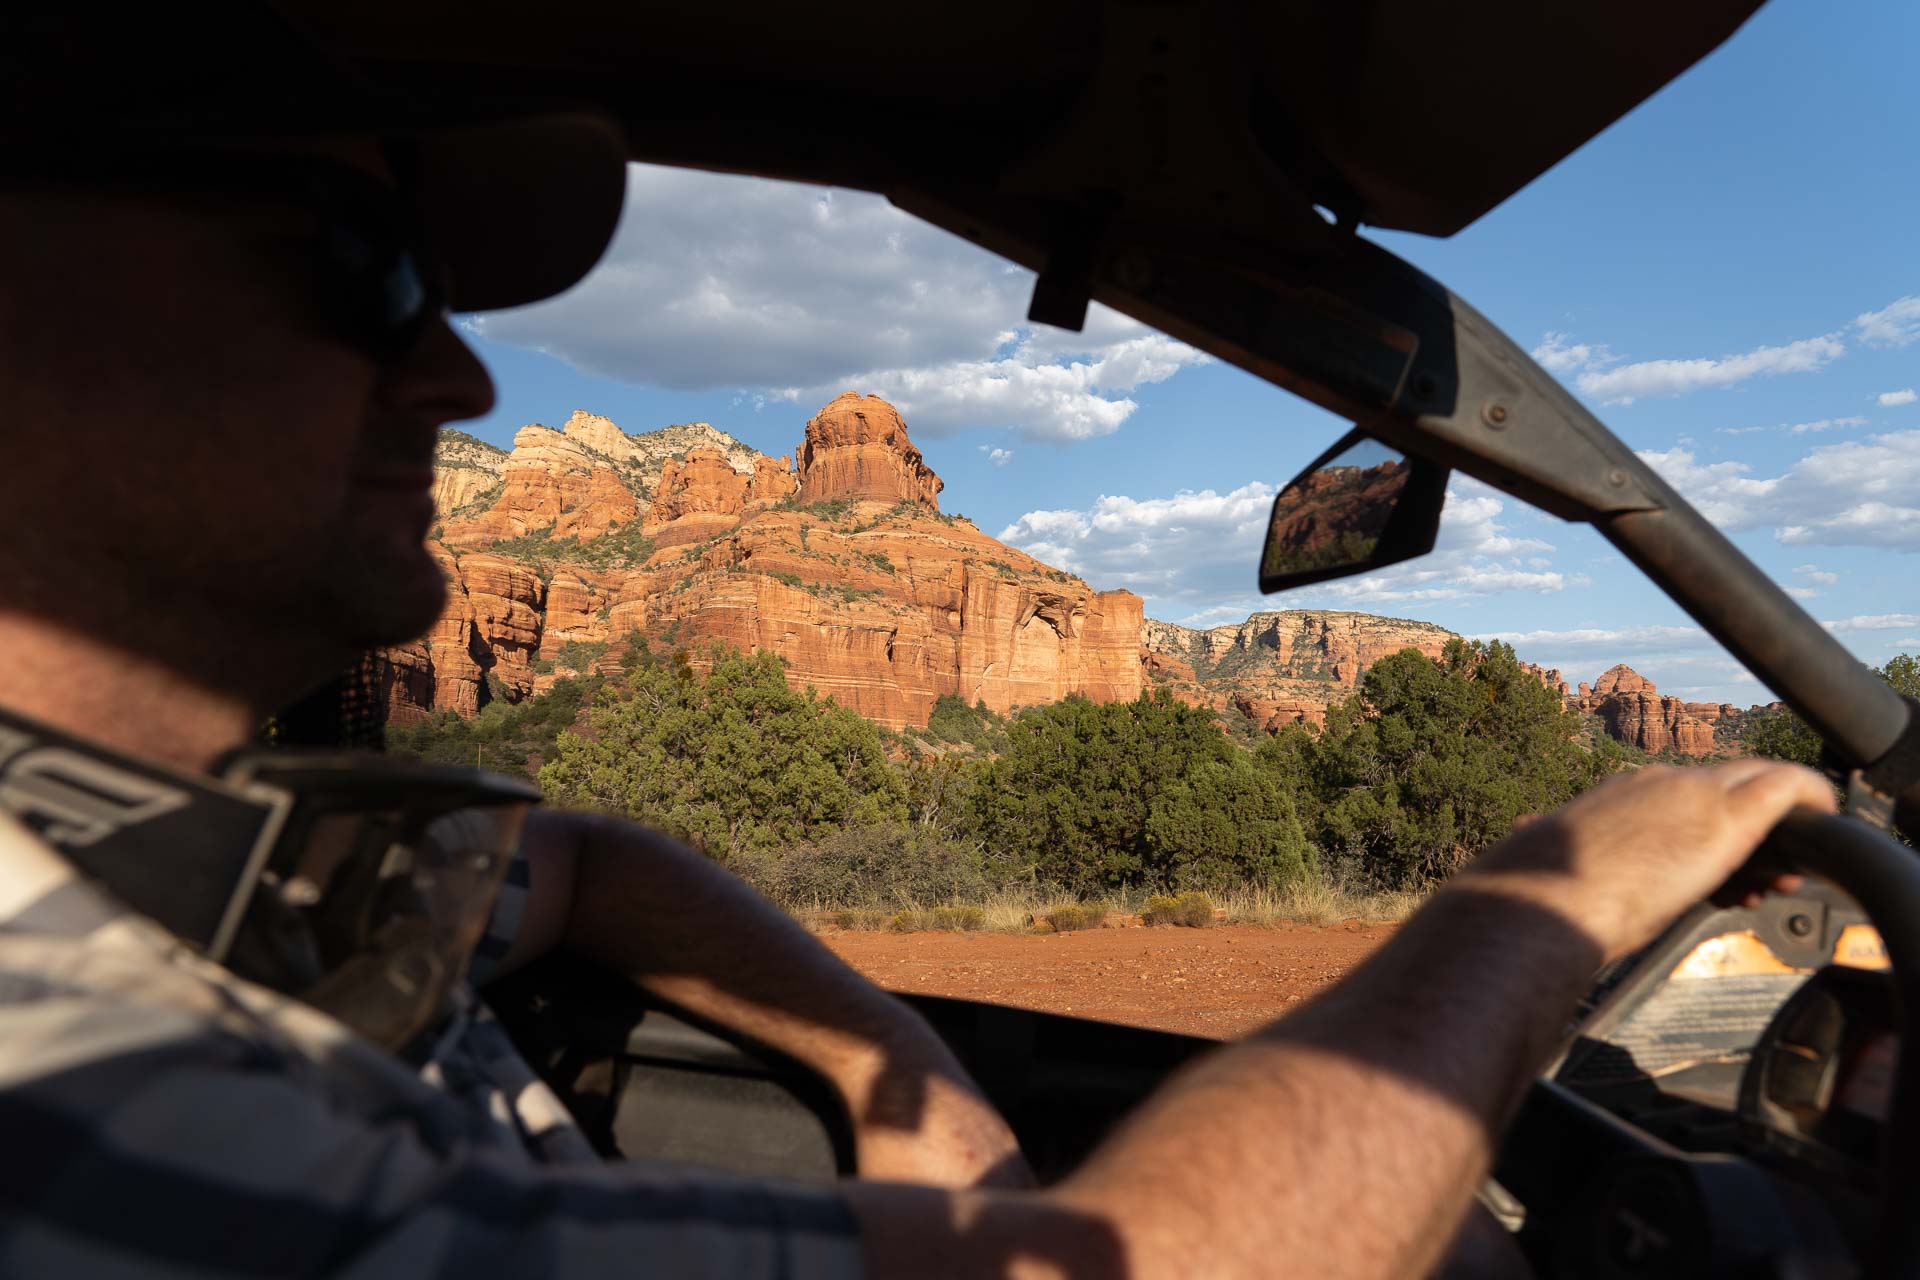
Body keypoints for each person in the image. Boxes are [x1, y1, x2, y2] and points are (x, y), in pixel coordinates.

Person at [0, 11, 1834, 1278]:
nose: (461, 370)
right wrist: (1551, 889)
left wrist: (921, 1085)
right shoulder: (68, 1088)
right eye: (363, 262)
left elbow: (574, 858)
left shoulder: (164, 858)